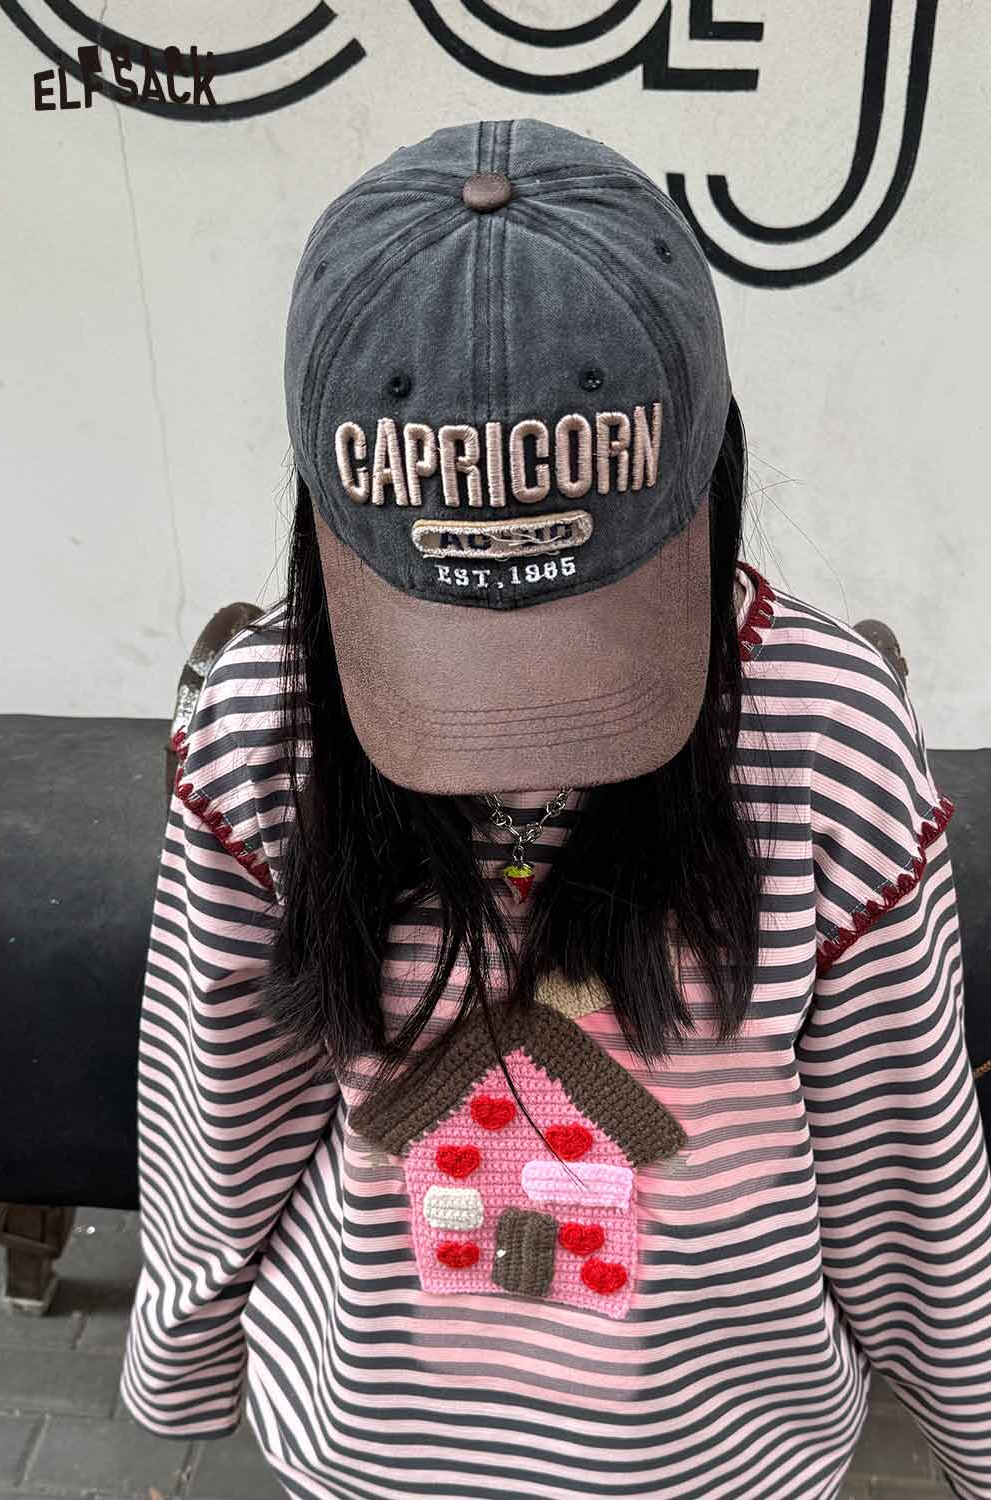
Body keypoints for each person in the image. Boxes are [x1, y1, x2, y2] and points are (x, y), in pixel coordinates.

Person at [119, 119, 991, 1500]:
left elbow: (905, 1165)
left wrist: (181, 1362)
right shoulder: (261, 728)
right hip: (412, 1456)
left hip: (703, 1461)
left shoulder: (829, 736)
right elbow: (222, 1095)